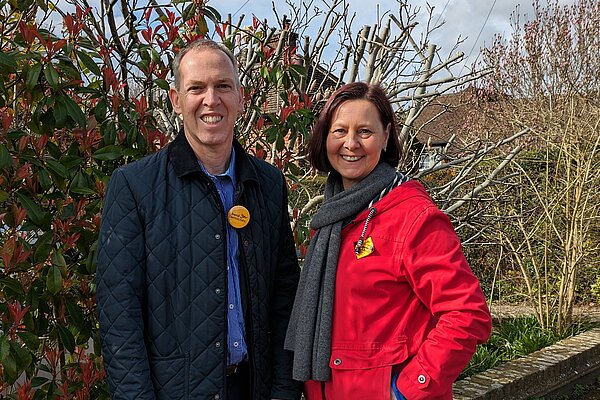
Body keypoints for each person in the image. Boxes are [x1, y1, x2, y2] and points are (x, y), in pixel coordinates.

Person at [96, 39, 302, 400]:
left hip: (252, 388)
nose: (211, 100)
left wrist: (283, 391)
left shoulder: (268, 185)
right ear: (177, 101)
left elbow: (285, 299)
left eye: (223, 86)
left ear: (240, 97)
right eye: (197, 88)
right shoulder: (135, 187)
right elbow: (119, 317)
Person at [285, 82, 492, 400]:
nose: (350, 143)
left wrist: (406, 390)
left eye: (365, 131)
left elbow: (467, 315)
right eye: (339, 130)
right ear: (325, 137)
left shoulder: (414, 217)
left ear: (386, 136)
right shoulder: (330, 219)